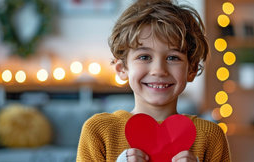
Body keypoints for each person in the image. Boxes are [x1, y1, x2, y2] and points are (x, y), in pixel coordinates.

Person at [77, 0, 231, 161]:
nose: (159, 70)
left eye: (173, 57)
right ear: (122, 69)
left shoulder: (211, 136)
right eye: (144, 57)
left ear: (191, 69)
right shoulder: (99, 131)